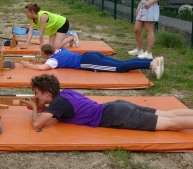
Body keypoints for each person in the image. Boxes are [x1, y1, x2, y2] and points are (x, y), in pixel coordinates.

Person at [20, 74, 193, 131]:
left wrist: (35, 107)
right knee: (169, 115)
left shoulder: (57, 104)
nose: (35, 96)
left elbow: (37, 124)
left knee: (171, 123)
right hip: (117, 106)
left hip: (117, 114)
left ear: (47, 92)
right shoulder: (65, 94)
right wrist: (43, 105)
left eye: (36, 93)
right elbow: (58, 113)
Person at [21, 44, 164, 80]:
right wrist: (37, 60)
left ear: (47, 54)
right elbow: (47, 59)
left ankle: (151, 64)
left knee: (120, 68)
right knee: (121, 62)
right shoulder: (59, 50)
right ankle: (152, 60)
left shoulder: (53, 61)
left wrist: (28, 65)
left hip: (87, 62)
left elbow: (43, 68)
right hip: (90, 54)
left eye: (42, 55)